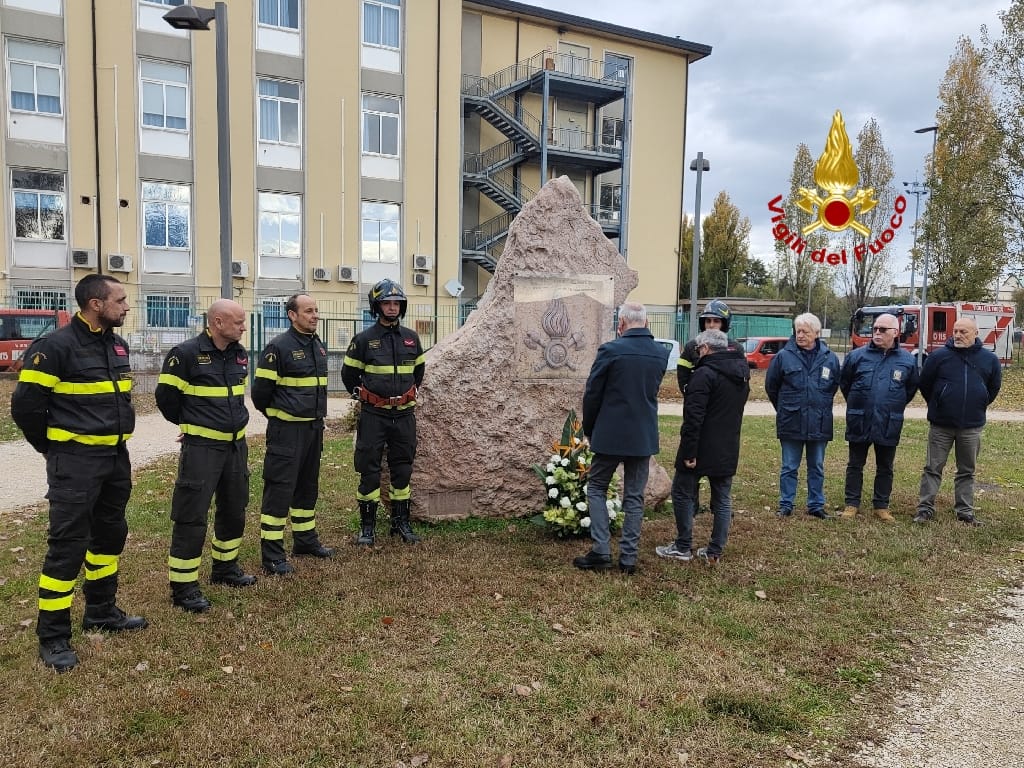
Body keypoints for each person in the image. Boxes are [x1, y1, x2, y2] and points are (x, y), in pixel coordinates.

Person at [11, 274, 147, 673]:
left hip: (115, 459)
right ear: (94, 304)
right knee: (67, 546)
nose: (126, 307)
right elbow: (25, 408)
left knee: (109, 536)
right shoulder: (54, 347)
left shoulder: (116, 344)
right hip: (75, 463)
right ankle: (53, 637)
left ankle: (101, 611)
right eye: (119, 301)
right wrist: (54, 449)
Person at [155, 299, 257, 612]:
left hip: (235, 447)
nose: (243, 327)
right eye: (238, 322)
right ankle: (184, 588)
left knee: (235, 509)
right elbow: (166, 399)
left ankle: (225, 569)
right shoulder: (186, 354)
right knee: (191, 515)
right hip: (202, 450)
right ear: (216, 322)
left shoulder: (239, 354)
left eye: (243, 321)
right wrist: (192, 425)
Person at [573, 302, 668, 574]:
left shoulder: (611, 350)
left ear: (622, 323)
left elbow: (593, 394)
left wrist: (590, 429)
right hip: (642, 435)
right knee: (635, 497)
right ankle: (628, 558)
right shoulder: (659, 354)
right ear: (646, 324)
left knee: (596, 488)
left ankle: (601, 551)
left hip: (610, 434)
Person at [252, 293, 333, 574]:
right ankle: (272, 555)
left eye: (316, 310)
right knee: (280, 489)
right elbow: (260, 393)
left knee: (307, 487)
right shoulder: (279, 347)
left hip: (313, 429)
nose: (315, 315)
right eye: (308, 311)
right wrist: (278, 416)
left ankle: (305, 541)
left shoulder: (317, 345)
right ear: (292, 315)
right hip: (287, 431)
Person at [342, 279, 426, 545]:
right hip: (374, 417)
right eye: (386, 303)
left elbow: (418, 374)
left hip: (403, 416)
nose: (392, 308)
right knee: (369, 471)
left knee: (402, 470)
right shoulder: (363, 340)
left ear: (402, 307)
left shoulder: (412, 339)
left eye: (396, 303)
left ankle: (400, 523)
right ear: (376, 307)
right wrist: (367, 398)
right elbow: (348, 376)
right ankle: (367, 527)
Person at [656, 328, 749, 565]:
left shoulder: (703, 374)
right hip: (728, 444)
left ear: (706, 348)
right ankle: (715, 550)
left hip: (700, 446)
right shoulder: (741, 372)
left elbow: (693, 416)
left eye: (698, 349)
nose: (697, 353)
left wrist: (689, 452)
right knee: (722, 497)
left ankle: (683, 545)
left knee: (681, 491)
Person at [914, 317, 1002, 525]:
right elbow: (925, 384)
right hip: (941, 425)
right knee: (932, 468)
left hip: (971, 426)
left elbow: (993, 388)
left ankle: (965, 511)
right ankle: (925, 509)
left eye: (964, 331)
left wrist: (978, 401)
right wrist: (939, 402)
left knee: (967, 470)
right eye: (955, 331)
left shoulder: (989, 360)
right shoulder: (938, 357)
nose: (958, 335)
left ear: (976, 333)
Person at [838, 313, 919, 523]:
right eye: (874, 328)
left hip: (888, 421)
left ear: (895, 332)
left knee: (886, 466)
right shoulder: (856, 357)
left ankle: (881, 506)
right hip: (860, 418)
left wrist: (891, 404)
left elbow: (909, 390)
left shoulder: (907, 361)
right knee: (855, 464)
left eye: (882, 329)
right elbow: (845, 384)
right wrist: (859, 403)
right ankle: (851, 504)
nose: (876, 333)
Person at [765, 312, 840, 519]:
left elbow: (833, 386)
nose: (800, 335)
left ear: (816, 333)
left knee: (816, 466)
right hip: (791, 420)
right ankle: (786, 504)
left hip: (819, 421)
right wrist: (785, 408)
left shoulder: (830, 358)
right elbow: (772, 387)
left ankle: (816, 505)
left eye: (805, 331)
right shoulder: (783, 357)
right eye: (798, 331)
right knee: (789, 466)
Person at [676, 299, 744, 393]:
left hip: (725, 402)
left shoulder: (736, 348)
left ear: (724, 324)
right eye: (708, 321)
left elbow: (743, 378)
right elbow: (683, 375)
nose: (711, 325)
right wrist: (690, 395)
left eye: (716, 321)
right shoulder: (691, 347)